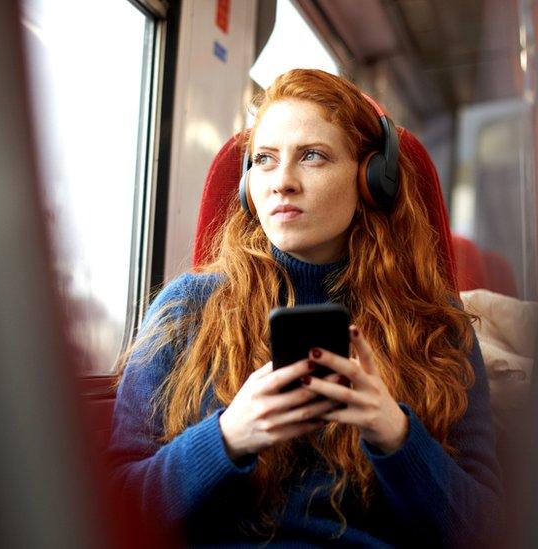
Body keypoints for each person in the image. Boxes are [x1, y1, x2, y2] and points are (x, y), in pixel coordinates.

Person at [107, 68, 501, 547]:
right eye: (265, 160)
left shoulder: (436, 323)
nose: (282, 182)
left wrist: (395, 434)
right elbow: (114, 506)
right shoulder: (187, 310)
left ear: (371, 178)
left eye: (312, 156)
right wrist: (228, 436)